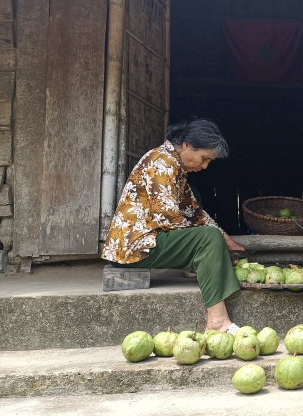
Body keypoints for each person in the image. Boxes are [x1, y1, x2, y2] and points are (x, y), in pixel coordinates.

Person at [102, 118, 244, 333]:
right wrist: (213, 240)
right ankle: (218, 321)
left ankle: (203, 264)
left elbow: (194, 212)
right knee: (207, 238)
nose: (204, 166)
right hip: (134, 248)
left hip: (149, 242)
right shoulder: (161, 162)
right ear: (187, 145)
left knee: (196, 204)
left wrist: (227, 239)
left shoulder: (175, 166)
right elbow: (168, 219)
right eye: (204, 159)